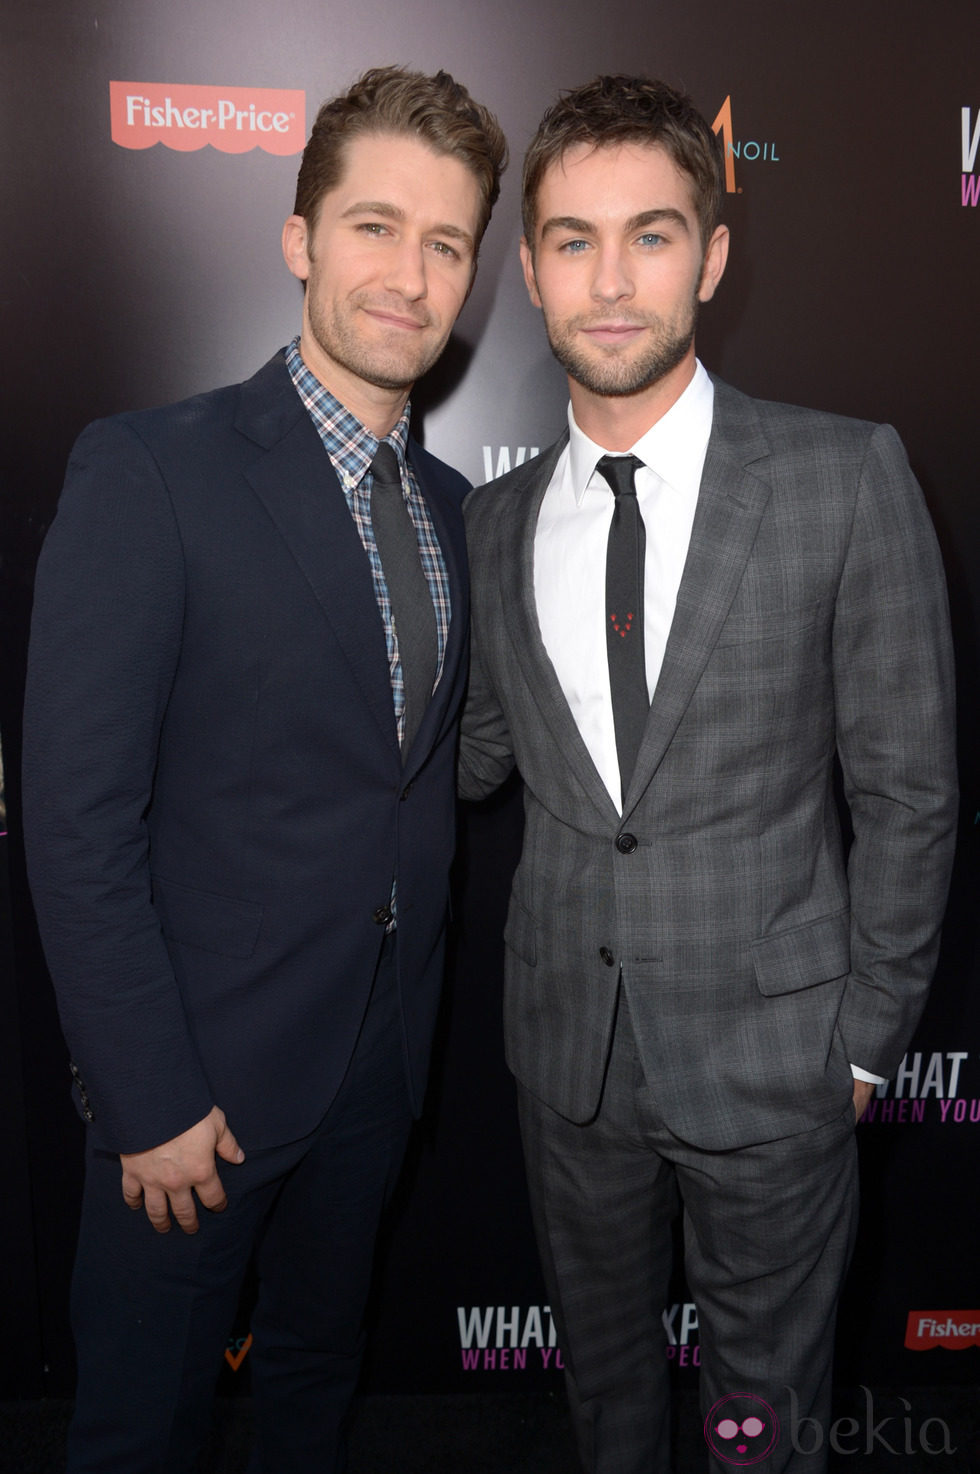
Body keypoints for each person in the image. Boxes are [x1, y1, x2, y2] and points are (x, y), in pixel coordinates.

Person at [458, 74, 956, 1473]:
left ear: (714, 255)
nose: (611, 281)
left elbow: (911, 789)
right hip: (568, 1063)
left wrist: (863, 1043)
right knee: (607, 1402)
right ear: (533, 269)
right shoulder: (491, 523)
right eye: (573, 240)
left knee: (763, 1419)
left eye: (653, 235)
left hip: (778, 1065)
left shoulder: (841, 477)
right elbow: (475, 756)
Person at [23, 64, 506, 1474]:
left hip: (380, 1062)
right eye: (373, 226)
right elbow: (76, 818)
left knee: (314, 1385)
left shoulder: (452, 508)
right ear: (299, 239)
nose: (408, 275)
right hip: (195, 1094)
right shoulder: (149, 471)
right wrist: (147, 1096)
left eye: (446, 242)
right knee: (140, 1429)